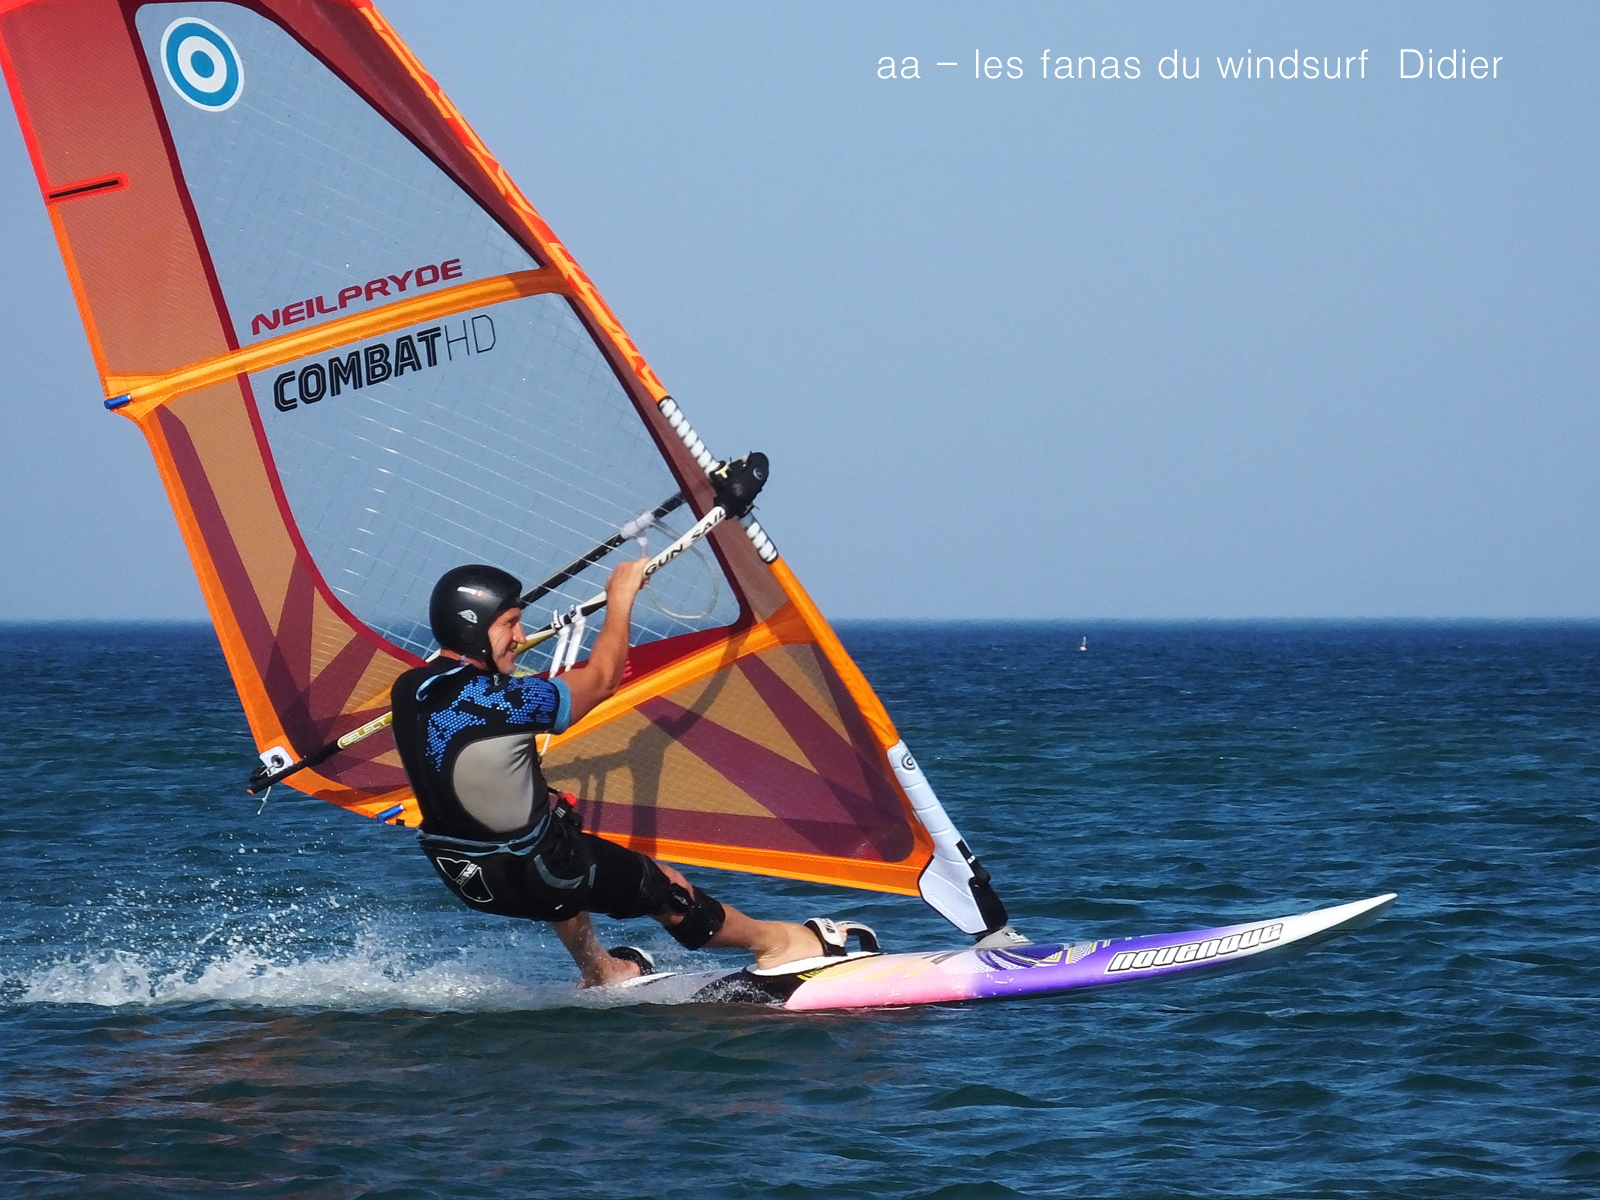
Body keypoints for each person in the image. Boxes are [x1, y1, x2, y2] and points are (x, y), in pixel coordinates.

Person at [390, 559, 877, 987]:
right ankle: (779, 944)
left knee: (557, 831)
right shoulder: (505, 701)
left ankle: (601, 970)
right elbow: (602, 680)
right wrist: (620, 598)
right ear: (472, 629)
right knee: (666, 889)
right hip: (536, 874)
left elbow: (470, 755)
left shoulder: (409, 689)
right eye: (510, 624)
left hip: (467, 876)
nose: (520, 637)